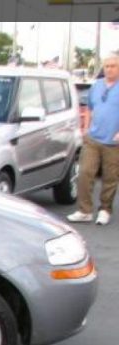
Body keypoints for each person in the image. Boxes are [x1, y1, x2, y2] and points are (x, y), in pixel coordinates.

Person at [68, 54, 119, 226]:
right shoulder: (96, 86)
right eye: (107, 66)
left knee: (110, 178)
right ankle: (85, 210)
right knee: (84, 173)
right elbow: (89, 108)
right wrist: (86, 128)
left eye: (113, 66)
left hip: (113, 141)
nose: (109, 69)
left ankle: (105, 209)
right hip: (93, 138)